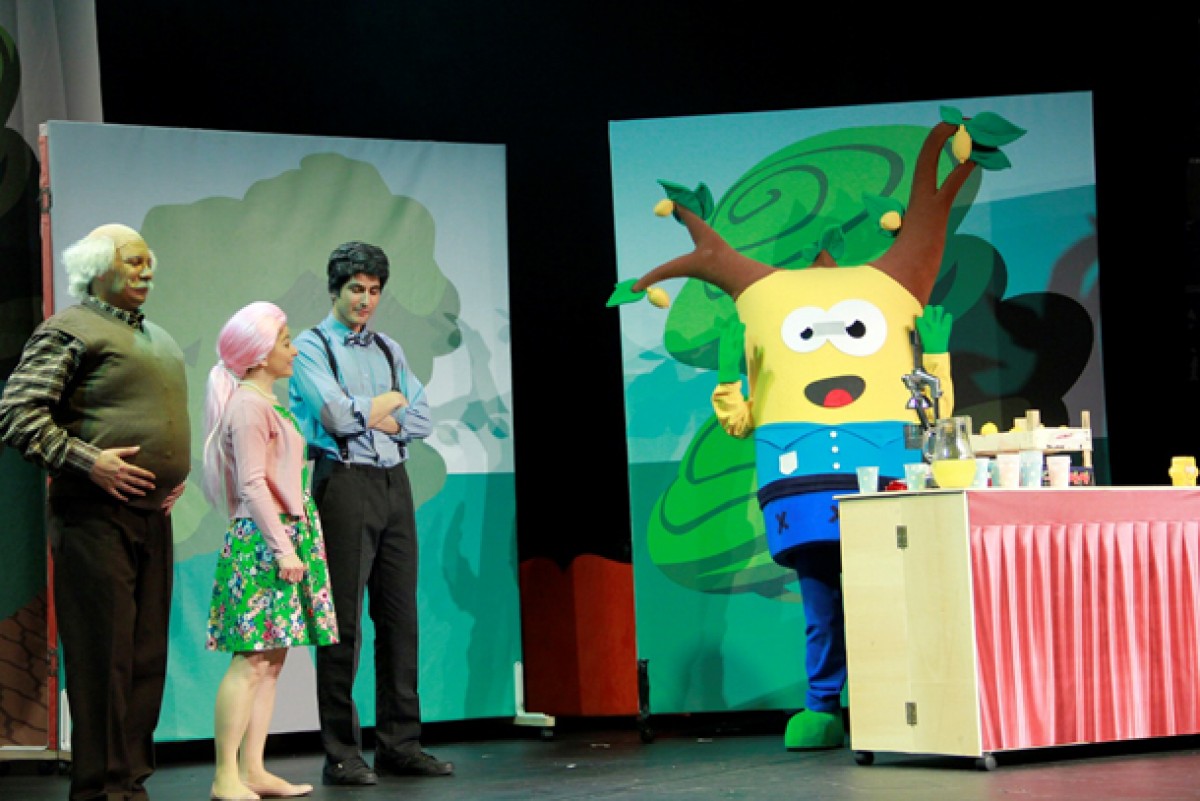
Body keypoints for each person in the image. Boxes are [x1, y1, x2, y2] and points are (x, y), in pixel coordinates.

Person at [0, 223, 190, 801]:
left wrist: (172, 473)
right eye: (133, 261)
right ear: (97, 269)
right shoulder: (70, 329)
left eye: (149, 260)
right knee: (103, 658)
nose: (147, 270)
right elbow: (19, 412)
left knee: (145, 657)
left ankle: (130, 784)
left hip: (151, 516)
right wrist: (91, 462)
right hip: (93, 515)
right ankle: (100, 792)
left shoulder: (158, 336)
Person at [288, 241, 452, 785]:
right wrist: (385, 406)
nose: (365, 300)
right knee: (343, 624)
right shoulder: (311, 347)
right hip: (343, 481)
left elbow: (422, 420)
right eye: (356, 289)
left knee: (400, 618)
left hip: (393, 481)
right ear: (336, 290)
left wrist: (376, 414)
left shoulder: (388, 349)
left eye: (374, 290)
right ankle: (342, 752)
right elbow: (336, 418)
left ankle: (400, 744)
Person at [201, 301, 339, 800]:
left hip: (284, 537)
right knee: (251, 660)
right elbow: (253, 484)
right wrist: (283, 549)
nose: (293, 350)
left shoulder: (269, 403)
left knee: (272, 660)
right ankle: (225, 776)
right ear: (260, 354)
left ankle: (254, 769)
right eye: (285, 342)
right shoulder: (248, 406)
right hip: (263, 543)